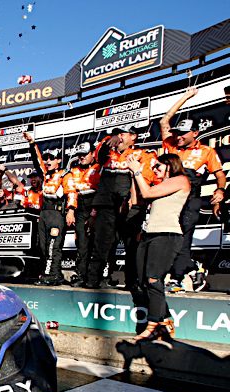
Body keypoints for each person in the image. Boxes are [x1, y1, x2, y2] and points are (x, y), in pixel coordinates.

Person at [159, 87, 226, 291]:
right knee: (170, 236)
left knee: (184, 234)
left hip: (192, 198)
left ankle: (177, 278)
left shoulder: (206, 151)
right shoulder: (171, 145)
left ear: (195, 133)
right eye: (177, 133)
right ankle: (191, 266)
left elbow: (220, 175)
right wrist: (185, 97)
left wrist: (220, 191)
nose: (178, 137)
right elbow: (163, 122)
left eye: (183, 134)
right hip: (171, 197)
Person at [128, 153, 190, 341]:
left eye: (158, 166)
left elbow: (146, 194)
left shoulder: (180, 180)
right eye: (153, 167)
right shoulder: (157, 186)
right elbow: (137, 200)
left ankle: (153, 326)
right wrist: (133, 175)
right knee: (142, 281)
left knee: (154, 279)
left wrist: (138, 171)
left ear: (170, 166)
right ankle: (164, 321)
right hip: (149, 235)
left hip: (167, 235)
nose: (154, 170)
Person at [86, 126, 157, 291]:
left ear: (133, 137)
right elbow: (98, 156)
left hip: (130, 205)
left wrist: (132, 198)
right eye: (115, 134)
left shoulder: (144, 155)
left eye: (122, 134)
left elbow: (146, 178)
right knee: (101, 244)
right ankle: (93, 281)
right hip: (107, 205)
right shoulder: (107, 154)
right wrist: (106, 143)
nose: (118, 138)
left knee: (132, 245)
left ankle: (133, 282)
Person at [25, 132, 67, 286]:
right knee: (43, 247)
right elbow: (37, 161)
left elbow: (71, 194)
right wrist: (32, 144)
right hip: (44, 213)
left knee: (53, 246)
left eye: (52, 158)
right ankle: (54, 273)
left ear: (59, 160)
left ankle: (52, 275)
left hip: (56, 213)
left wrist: (71, 211)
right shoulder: (44, 174)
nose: (48, 161)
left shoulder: (64, 174)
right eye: (47, 158)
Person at [63, 142, 101, 288]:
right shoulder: (73, 171)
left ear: (92, 153)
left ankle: (96, 277)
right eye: (80, 155)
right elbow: (72, 191)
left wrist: (95, 211)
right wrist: (71, 210)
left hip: (96, 206)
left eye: (85, 154)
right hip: (80, 207)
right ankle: (81, 275)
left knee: (98, 244)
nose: (82, 157)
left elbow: (102, 189)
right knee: (82, 244)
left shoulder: (99, 168)